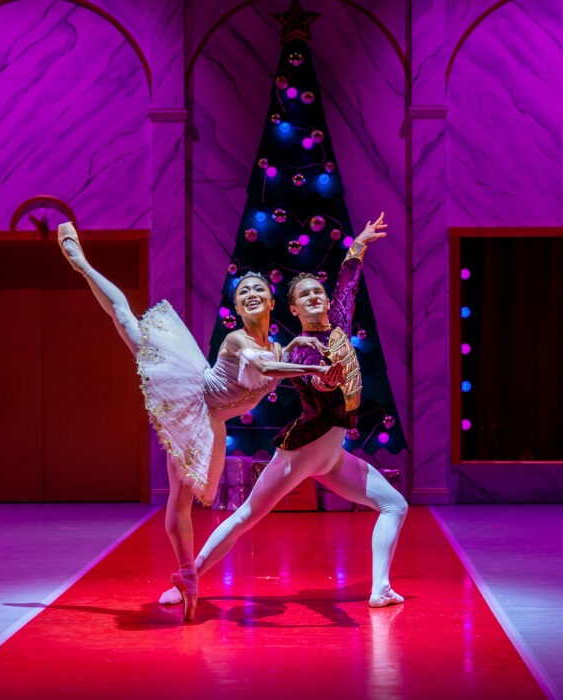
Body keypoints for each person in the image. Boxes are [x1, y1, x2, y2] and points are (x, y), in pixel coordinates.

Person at [57, 222, 343, 621]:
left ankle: (188, 575)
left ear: (272, 302)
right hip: (190, 398)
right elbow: (264, 367)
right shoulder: (237, 340)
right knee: (126, 320)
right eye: (243, 292)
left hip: (214, 422)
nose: (252, 294)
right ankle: (82, 263)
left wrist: (300, 347)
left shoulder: (279, 346)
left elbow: (277, 358)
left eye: (259, 289)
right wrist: (301, 364)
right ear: (238, 308)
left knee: (188, 499)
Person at [160, 212, 408, 609]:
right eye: (304, 296)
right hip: (303, 449)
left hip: (331, 456)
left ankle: (379, 588)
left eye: (318, 293)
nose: (314, 298)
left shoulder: (340, 321)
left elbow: (347, 282)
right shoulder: (303, 347)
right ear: (293, 309)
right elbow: (313, 381)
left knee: (395, 504)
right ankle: (187, 578)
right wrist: (323, 379)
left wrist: (359, 243)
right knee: (247, 516)